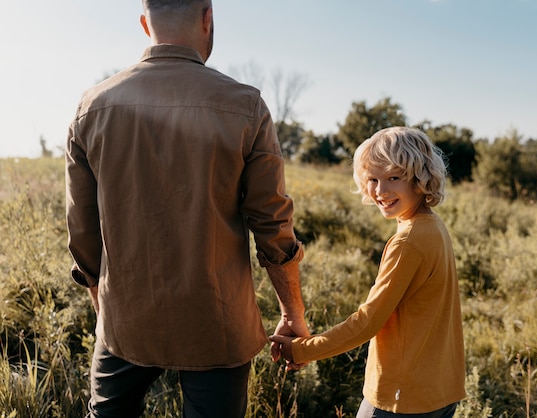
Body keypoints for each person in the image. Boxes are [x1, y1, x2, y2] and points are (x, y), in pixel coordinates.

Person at [65, 0, 309, 416]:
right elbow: (272, 225)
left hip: (125, 321)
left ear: (145, 23)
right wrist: (293, 313)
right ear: (208, 17)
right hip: (218, 324)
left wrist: (108, 314)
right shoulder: (246, 106)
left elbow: (82, 232)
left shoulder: (93, 107)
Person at [270, 127, 466, 418]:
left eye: (393, 178)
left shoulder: (408, 241)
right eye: (373, 179)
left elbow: (367, 323)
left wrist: (302, 350)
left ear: (420, 178)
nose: (380, 191)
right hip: (439, 391)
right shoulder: (433, 227)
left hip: (401, 398)